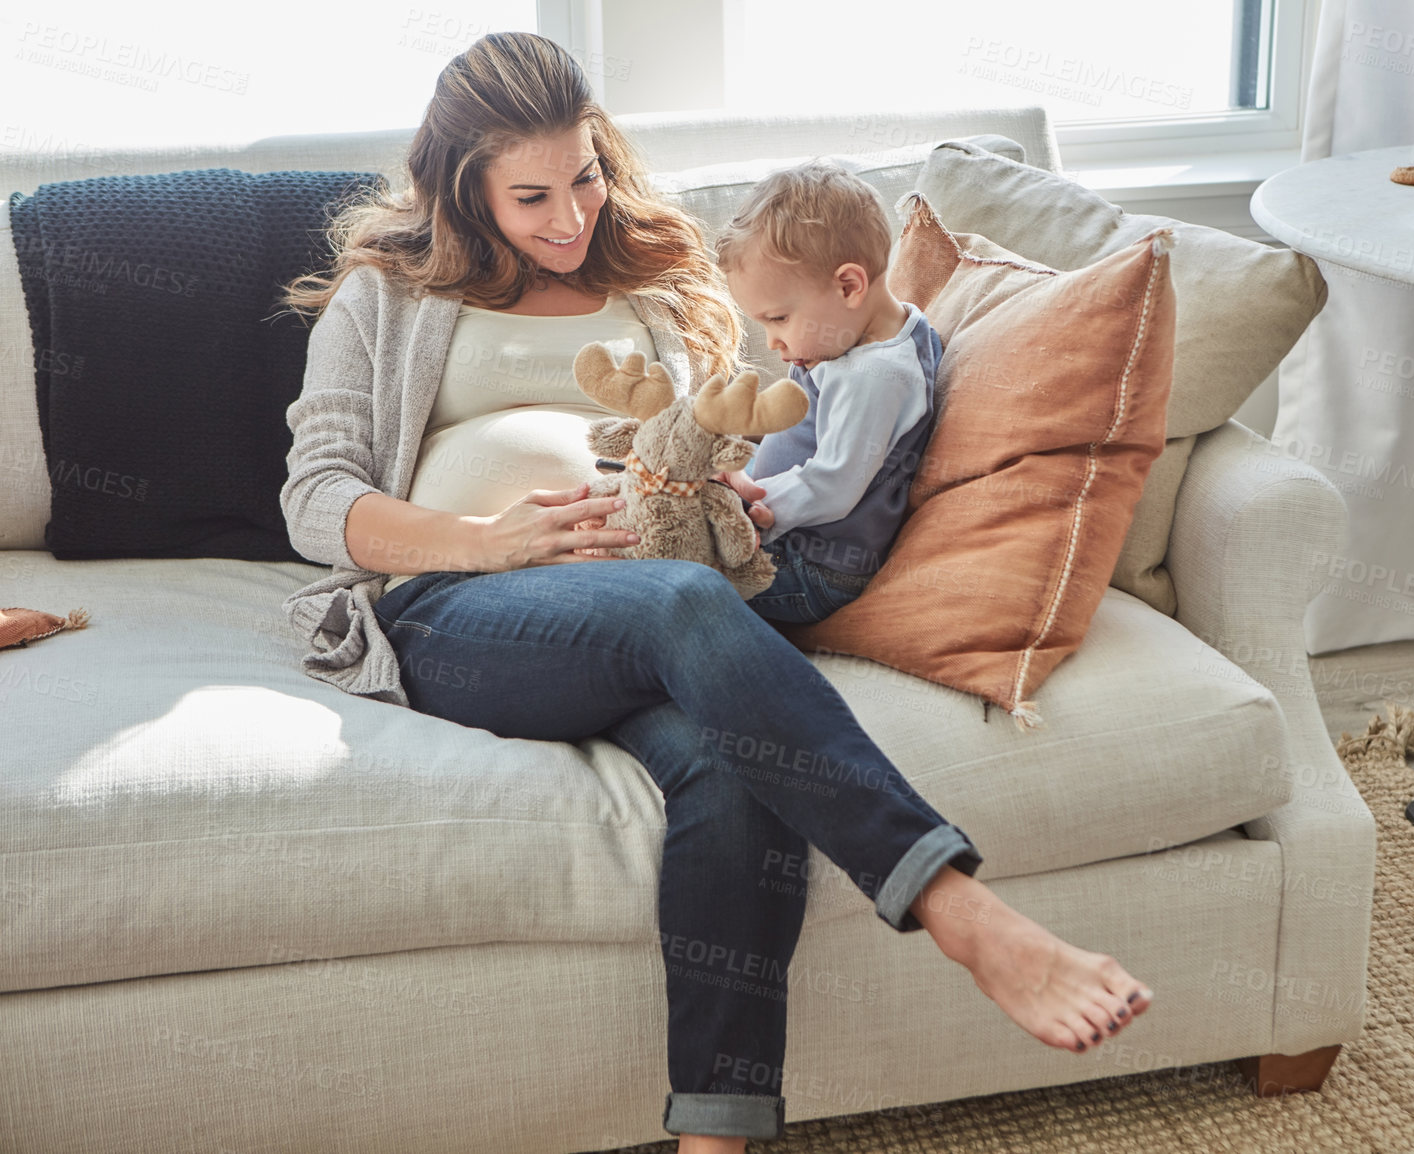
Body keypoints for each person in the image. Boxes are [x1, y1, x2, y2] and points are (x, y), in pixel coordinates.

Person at [277, 31, 1153, 1154]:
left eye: (585, 176)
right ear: (463, 189)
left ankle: (715, 1137)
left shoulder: (655, 275)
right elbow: (316, 497)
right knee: (681, 603)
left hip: (650, 593)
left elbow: (727, 427)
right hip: (462, 613)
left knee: (736, 769)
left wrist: (733, 487)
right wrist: (485, 540)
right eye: (531, 194)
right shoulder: (387, 293)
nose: (569, 215)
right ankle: (957, 906)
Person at [713, 161, 938, 624]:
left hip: (811, 566)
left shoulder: (876, 376)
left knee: (671, 591)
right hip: (785, 529)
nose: (773, 343)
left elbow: (833, 486)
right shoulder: (878, 333)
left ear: (849, 286)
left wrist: (743, 507)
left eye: (777, 319)